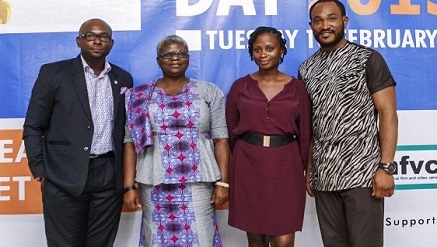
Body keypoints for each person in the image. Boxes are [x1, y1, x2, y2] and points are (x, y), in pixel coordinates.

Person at [23, 19, 133, 247]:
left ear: (111, 43)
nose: (97, 41)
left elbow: (124, 130)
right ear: (79, 40)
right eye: (90, 35)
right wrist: (40, 170)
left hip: (108, 176)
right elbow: (33, 126)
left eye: (103, 36)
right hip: (63, 176)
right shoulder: (54, 74)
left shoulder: (123, 79)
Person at [298, 1, 398, 246]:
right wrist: (310, 169)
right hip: (324, 176)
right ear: (311, 26)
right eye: (318, 20)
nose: (325, 26)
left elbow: (387, 113)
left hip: (362, 174)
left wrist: (385, 167)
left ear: (344, 21)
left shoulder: (368, 59)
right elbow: (313, 123)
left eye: (332, 19)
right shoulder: (306, 69)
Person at [123, 34, 230, 247]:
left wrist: (223, 182)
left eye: (181, 53)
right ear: (158, 59)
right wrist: (129, 186)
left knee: (201, 237)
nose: (175, 58)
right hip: (154, 181)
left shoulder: (208, 91)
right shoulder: (140, 95)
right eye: (168, 54)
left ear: (188, 58)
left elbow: (221, 139)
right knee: (157, 238)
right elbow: (130, 142)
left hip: (197, 180)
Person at [226, 26, 312, 247]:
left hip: (286, 166)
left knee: (283, 239)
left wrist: (301, 167)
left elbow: (305, 134)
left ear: (282, 50)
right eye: (257, 49)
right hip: (248, 166)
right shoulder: (240, 87)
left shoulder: (297, 88)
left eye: (269, 48)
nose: (263, 54)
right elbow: (231, 131)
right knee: (256, 240)